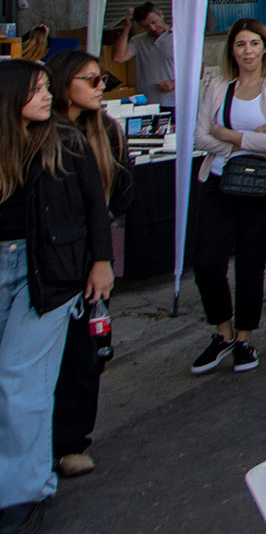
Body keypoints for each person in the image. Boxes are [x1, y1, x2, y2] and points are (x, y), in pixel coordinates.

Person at [0, 60, 112, 531]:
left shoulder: (66, 140)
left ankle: (23, 493)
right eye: (37, 89)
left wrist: (102, 263)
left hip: (49, 273)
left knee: (21, 379)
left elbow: (95, 206)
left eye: (48, 87)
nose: (48, 95)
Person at [189, 19, 266, 375]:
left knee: (251, 262)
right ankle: (223, 332)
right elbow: (201, 137)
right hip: (218, 181)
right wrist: (245, 137)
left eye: (254, 43)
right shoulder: (218, 85)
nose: (247, 51)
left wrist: (229, 135)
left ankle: (245, 338)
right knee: (206, 262)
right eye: (240, 44)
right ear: (231, 50)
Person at [45, 50, 129, 480]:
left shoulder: (107, 132)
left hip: (90, 255)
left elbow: (118, 194)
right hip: (50, 257)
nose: (101, 88)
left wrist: (101, 255)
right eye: (91, 80)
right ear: (65, 85)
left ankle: (71, 442)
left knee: (85, 353)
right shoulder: (42, 133)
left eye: (102, 81)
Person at [108, 1, 173, 112]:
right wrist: (127, 26)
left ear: (161, 14)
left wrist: (174, 84)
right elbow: (118, 58)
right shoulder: (139, 40)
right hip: (145, 104)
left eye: (154, 22)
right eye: (146, 26)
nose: (152, 28)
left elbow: (198, 71)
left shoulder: (181, 37)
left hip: (173, 102)